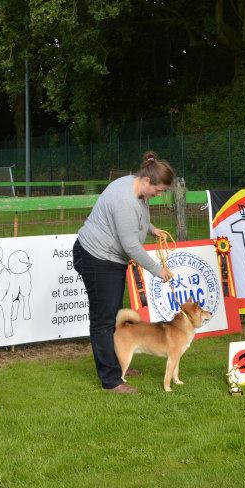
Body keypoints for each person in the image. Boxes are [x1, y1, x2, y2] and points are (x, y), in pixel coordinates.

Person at [73, 151, 176, 394]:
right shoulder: (124, 199)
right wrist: (157, 270)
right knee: (103, 320)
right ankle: (111, 381)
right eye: (159, 190)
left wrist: (151, 229)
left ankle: (119, 362)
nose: (159, 195)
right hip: (96, 257)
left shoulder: (134, 185)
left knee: (114, 314)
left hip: (110, 259)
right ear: (147, 181)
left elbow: (135, 220)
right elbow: (130, 246)